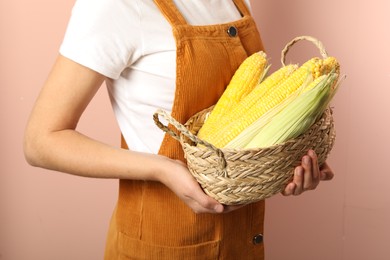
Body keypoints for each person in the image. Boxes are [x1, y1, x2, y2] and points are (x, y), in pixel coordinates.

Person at [23, 0, 334, 259]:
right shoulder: (116, 5)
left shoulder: (236, 1)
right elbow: (41, 140)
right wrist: (163, 169)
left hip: (244, 240)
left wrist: (280, 168)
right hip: (164, 244)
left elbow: (247, 122)